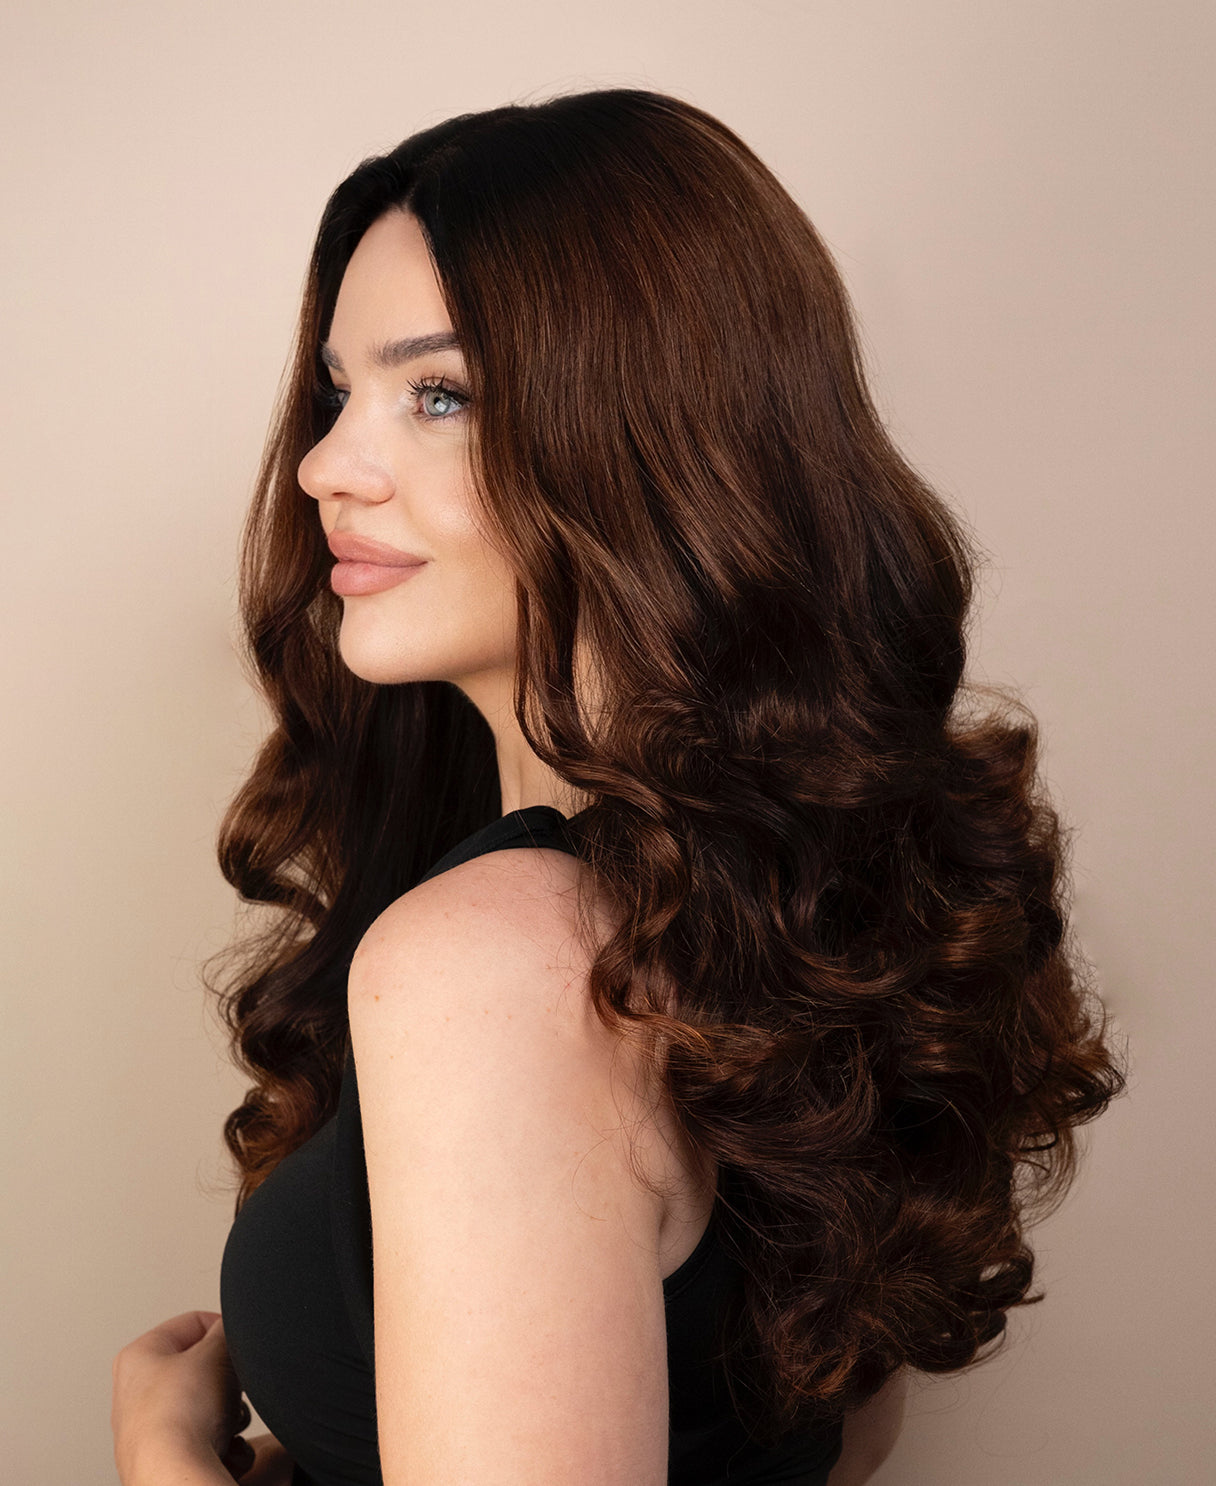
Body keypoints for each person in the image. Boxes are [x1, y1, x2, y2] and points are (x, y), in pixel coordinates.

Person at [111, 88, 1126, 1486]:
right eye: (339, 392)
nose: (325, 467)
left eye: (439, 394)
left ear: (651, 434)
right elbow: (822, 1430)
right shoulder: (760, 903)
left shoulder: (505, 965)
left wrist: (166, 1461)